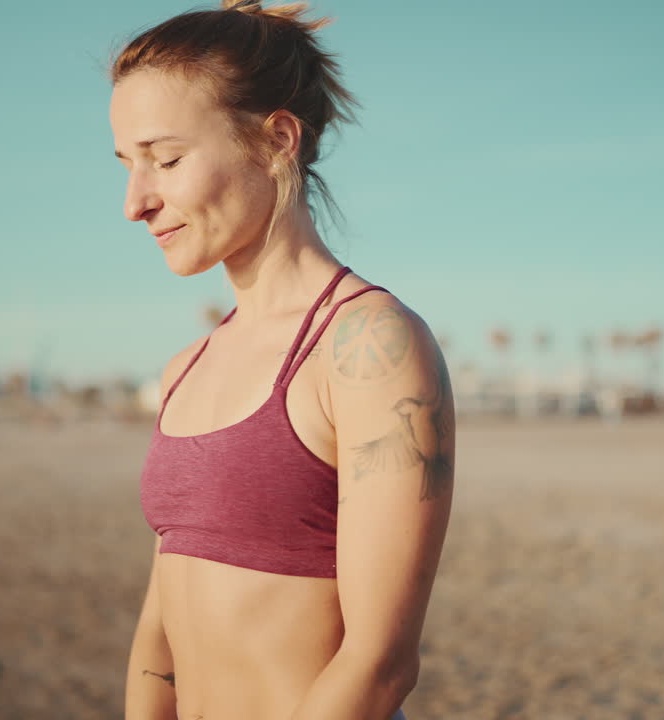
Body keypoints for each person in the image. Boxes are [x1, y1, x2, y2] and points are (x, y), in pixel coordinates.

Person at [109, 2, 455, 718]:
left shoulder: (369, 349)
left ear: (276, 140)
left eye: (166, 160)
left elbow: (380, 661)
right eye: (128, 165)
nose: (135, 202)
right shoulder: (186, 369)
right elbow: (159, 634)